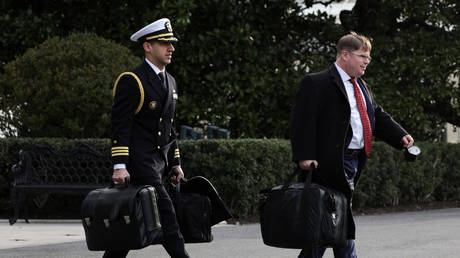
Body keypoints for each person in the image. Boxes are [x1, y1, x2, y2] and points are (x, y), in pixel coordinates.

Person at [290, 32, 414, 258]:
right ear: (345, 55)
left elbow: (374, 114)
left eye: (369, 57)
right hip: (327, 163)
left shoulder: (361, 86)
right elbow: (302, 121)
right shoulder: (316, 82)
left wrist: (399, 135)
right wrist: (304, 156)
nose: (367, 61)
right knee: (338, 219)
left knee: (327, 225)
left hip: (353, 161)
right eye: (363, 56)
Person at [105, 18, 190, 258]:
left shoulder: (170, 81)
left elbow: (169, 128)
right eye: (164, 43)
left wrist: (175, 163)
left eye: (171, 43)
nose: (171, 48)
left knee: (126, 232)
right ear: (147, 46)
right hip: (139, 165)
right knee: (169, 222)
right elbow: (120, 126)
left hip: (158, 164)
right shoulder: (132, 80)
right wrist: (119, 166)